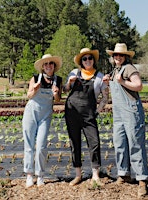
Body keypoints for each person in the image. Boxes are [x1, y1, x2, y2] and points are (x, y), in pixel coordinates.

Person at [105, 43, 148, 197]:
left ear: (126, 57)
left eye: (120, 55)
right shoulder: (115, 70)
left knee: (135, 144)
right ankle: (123, 174)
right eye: (115, 55)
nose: (117, 57)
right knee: (120, 142)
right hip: (118, 113)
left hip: (131, 111)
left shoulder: (129, 68)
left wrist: (122, 82)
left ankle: (142, 179)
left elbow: (138, 85)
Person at [63, 48, 109, 186]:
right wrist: (69, 83)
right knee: (74, 142)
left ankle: (95, 175)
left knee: (94, 142)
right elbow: (65, 90)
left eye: (90, 58)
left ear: (94, 60)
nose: (87, 60)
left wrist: (97, 111)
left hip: (89, 114)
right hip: (72, 113)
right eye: (84, 59)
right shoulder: (74, 73)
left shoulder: (100, 77)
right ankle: (78, 175)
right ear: (81, 62)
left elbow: (105, 97)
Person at [22, 54, 63, 188]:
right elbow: (29, 95)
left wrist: (56, 93)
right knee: (29, 144)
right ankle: (29, 174)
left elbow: (57, 100)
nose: (48, 66)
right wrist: (35, 90)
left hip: (45, 115)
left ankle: (40, 175)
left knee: (41, 146)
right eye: (45, 64)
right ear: (42, 67)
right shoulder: (35, 78)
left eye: (51, 63)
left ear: (54, 66)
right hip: (31, 113)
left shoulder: (58, 80)